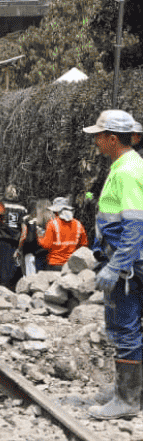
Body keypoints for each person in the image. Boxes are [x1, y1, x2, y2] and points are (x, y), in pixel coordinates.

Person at [83, 110, 143, 420]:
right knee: (130, 326)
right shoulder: (128, 165)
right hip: (130, 260)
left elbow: (135, 226)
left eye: (98, 135)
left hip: (130, 265)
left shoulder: (126, 171)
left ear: (111, 138)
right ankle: (127, 389)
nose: (95, 140)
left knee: (124, 327)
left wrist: (116, 265)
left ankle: (127, 399)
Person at [0, 184, 29, 288]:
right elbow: (24, 230)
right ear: (16, 194)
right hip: (14, 241)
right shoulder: (22, 208)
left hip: (0, 238)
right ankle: (7, 288)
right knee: (10, 266)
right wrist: (21, 244)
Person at [35, 196, 88, 271]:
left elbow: (46, 245)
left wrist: (39, 237)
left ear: (56, 211)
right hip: (71, 266)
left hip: (54, 264)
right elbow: (84, 245)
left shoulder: (52, 224)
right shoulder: (78, 224)